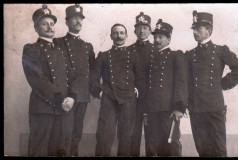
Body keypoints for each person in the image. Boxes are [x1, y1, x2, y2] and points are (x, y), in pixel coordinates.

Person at [185, 10, 238, 157]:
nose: (194, 31)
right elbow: (185, 81)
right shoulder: (188, 55)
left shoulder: (221, 51)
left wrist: (222, 84)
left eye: (198, 28)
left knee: (219, 149)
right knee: (202, 150)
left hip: (215, 108)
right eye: (193, 29)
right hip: (196, 109)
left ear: (209, 30)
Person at [22, 4, 77, 156]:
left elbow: (71, 77)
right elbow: (37, 80)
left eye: (52, 24)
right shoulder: (31, 49)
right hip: (42, 109)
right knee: (38, 150)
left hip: (63, 110)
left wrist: (72, 97)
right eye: (44, 24)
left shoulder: (61, 50)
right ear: (36, 27)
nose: (49, 27)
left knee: (59, 151)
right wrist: (60, 98)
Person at [91, 23, 146, 156]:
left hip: (128, 99)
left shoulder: (134, 55)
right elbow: (93, 78)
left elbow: (141, 77)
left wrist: (137, 90)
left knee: (126, 135)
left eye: (122, 33)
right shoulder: (103, 56)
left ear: (126, 36)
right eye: (115, 33)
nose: (119, 36)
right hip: (109, 98)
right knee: (104, 135)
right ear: (110, 36)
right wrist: (100, 92)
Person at [56, 4, 95, 156]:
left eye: (80, 18)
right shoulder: (58, 43)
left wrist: (91, 90)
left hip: (82, 96)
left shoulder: (87, 46)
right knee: (63, 132)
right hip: (65, 95)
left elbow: (92, 71)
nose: (78, 21)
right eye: (74, 18)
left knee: (77, 132)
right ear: (67, 22)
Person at [146, 19, 188, 156]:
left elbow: (181, 82)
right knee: (153, 145)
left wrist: (178, 107)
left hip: (169, 111)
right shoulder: (150, 58)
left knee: (171, 145)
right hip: (152, 110)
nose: (156, 40)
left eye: (160, 37)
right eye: (155, 37)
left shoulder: (176, 56)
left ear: (168, 39)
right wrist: (146, 111)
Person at [129, 12, 154, 156]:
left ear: (150, 30)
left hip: (151, 100)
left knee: (152, 138)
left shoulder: (156, 50)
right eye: (139, 27)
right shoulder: (129, 50)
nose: (142, 31)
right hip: (134, 100)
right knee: (133, 136)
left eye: (145, 27)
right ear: (134, 31)